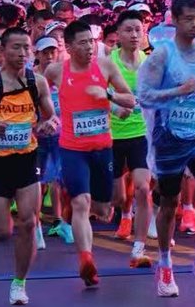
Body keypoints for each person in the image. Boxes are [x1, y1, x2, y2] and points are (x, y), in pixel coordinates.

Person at [136, 0, 195, 298]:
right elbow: (144, 96)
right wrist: (178, 91)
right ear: (174, 20)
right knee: (169, 204)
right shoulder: (162, 55)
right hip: (169, 136)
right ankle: (165, 264)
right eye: (188, 19)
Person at [0, 25, 56, 305]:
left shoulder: (37, 82)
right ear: (2, 51)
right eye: (16, 47)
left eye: (27, 47)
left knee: (27, 222)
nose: (23, 53)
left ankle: (19, 283)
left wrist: (48, 125)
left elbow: (50, 116)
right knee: (2, 232)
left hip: (26, 159)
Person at [44, 19, 137, 288]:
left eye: (91, 42)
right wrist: (47, 116)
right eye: (83, 43)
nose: (89, 47)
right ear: (69, 47)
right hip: (72, 149)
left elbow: (130, 100)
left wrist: (108, 95)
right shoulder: (56, 71)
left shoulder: (105, 66)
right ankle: (86, 259)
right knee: (81, 203)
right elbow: (38, 92)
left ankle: (82, 216)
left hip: (103, 148)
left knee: (106, 207)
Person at [106, 9, 155, 266]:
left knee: (143, 188)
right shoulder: (107, 62)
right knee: (117, 197)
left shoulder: (150, 63)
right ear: (118, 34)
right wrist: (115, 107)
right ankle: (124, 212)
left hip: (141, 134)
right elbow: (97, 94)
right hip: (113, 135)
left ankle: (139, 247)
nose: (134, 35)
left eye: (138, 29)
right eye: (129, 30)